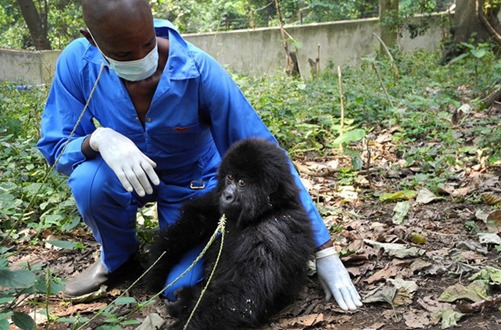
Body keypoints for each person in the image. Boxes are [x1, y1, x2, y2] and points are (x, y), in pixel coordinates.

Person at [37, 0, 362, 311]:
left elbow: (266, 153)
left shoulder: (199, 70)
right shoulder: (77, 63)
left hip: (192, 185)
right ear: (91, 40)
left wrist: (324, 250)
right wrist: (98, 139)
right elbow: (55, 145)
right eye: (124, 53)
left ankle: (176, 262)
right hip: (122, 176)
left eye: (148, 45)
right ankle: (117, 258)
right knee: (88, 181)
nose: (142, 60)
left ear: (152, 23)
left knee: (181, 288)